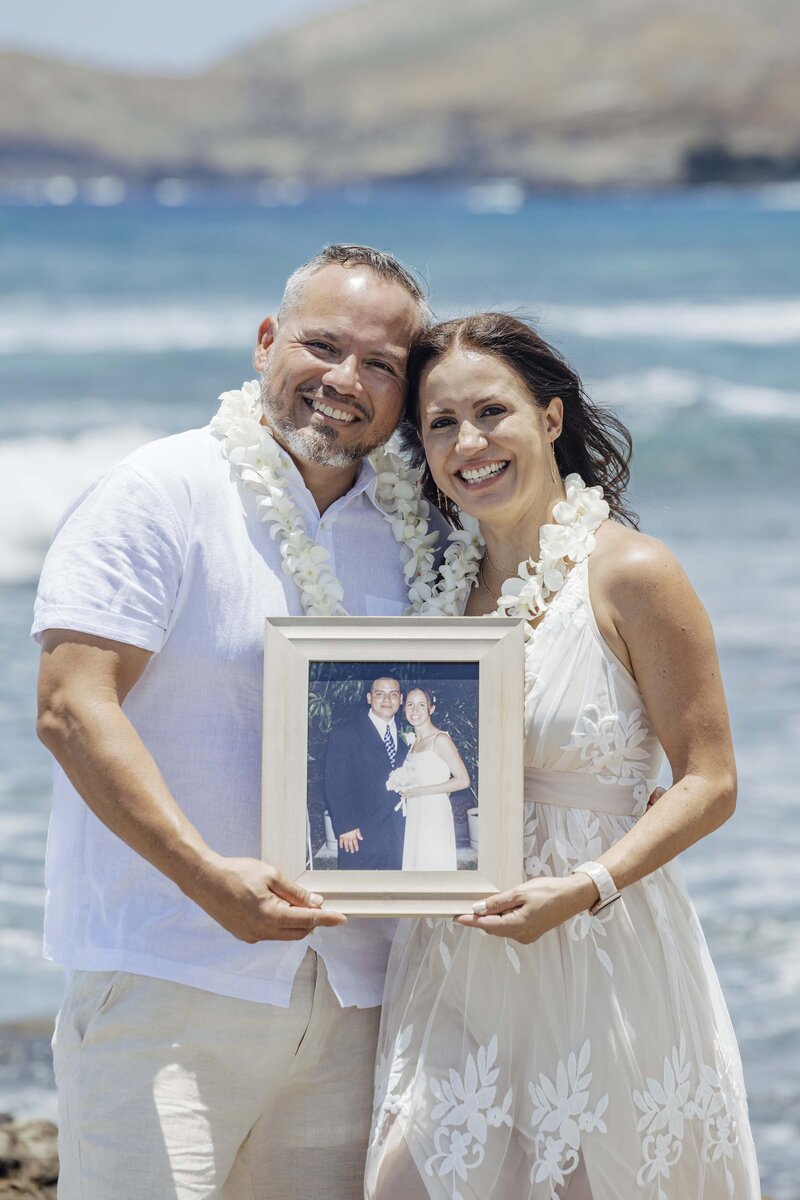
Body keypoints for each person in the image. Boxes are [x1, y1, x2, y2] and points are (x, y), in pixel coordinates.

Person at [32, 244, 444, 1200]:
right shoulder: (158, 492)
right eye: (323, 346)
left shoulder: (416, 529)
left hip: (356, 993)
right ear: (266, 343)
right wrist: (204, 876)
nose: (345, 382)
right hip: (168, 978)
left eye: (381, 364)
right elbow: (70, 707)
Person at [366, 314, 761, 1198]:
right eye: (439, 423)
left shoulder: (632, 571)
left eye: (491, 412)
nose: (468, 442)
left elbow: (712, 780)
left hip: (601, 944)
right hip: (458, 954)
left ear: (549, 419)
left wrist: (585, 889)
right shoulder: (434, 587)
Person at [325, 675, 409, 869]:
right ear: (369, 698)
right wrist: (345, 826)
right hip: (360, 836)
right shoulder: (345, 733)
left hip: (399, 836)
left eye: (393, 694)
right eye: (380, 694)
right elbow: (335, 783)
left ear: (401, 699)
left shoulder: (409, 736)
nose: (387, 700)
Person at [391, 686, 469, 870]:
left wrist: (422, 791)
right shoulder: (413, 742)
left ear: (431, 708)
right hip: (415, 812)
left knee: (432, 862)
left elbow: (463, 780)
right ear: (404, 709)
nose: (415, 711)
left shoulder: (440, 739)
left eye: (421, 705)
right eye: (410, 705)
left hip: (433, 813)